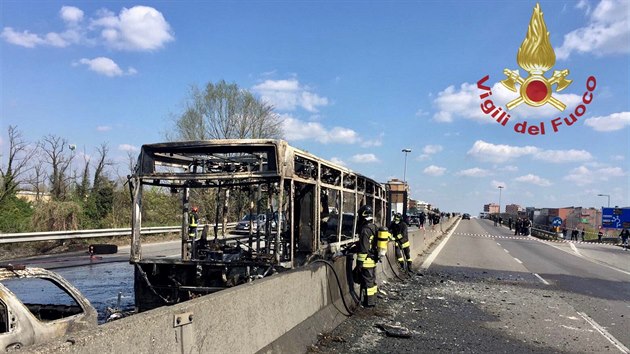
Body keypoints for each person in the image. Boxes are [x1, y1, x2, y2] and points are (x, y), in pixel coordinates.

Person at [356, 205, 379, 308]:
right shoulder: (374, 227)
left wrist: (359, 264)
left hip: (366, 261)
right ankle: (372, 301)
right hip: (373, 259)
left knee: (368, 283)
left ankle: (369, 303)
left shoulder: (365, 230)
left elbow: (363, 249)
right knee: (372, 282)